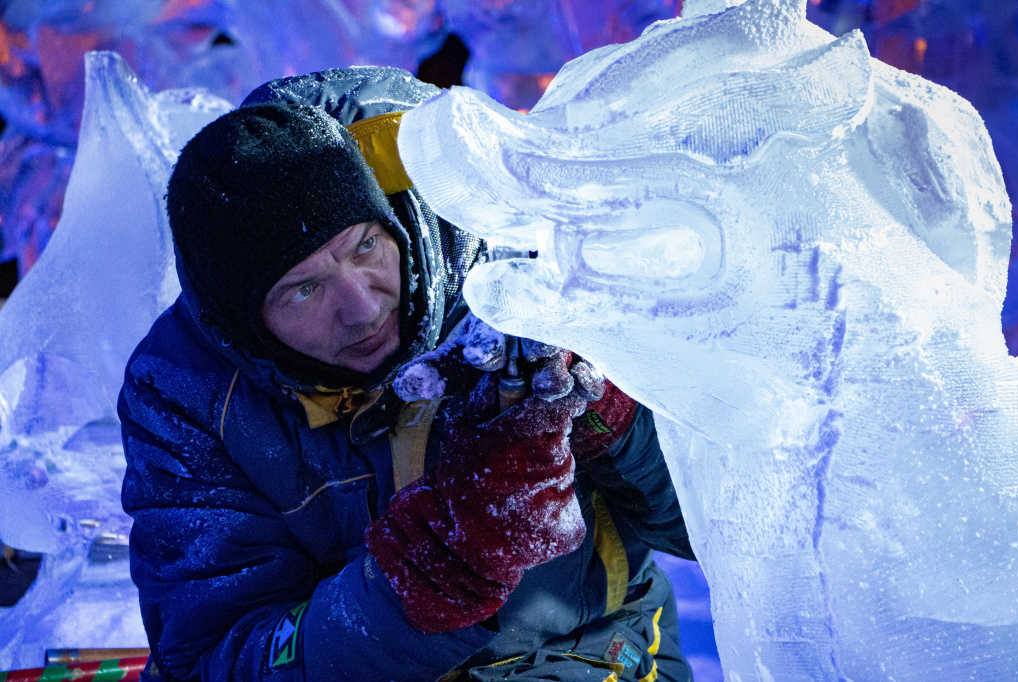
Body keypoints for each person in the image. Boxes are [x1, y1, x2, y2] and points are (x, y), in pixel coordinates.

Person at [119, 66, 695, 681]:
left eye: (364, 246)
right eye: (305, 290)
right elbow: (215, 660)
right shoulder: (185, 396)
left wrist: (617, 418)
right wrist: (435, 570)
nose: (362, 308)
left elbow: (722, 530)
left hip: (590, 651)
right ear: (244, 322)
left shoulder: (521, 269)